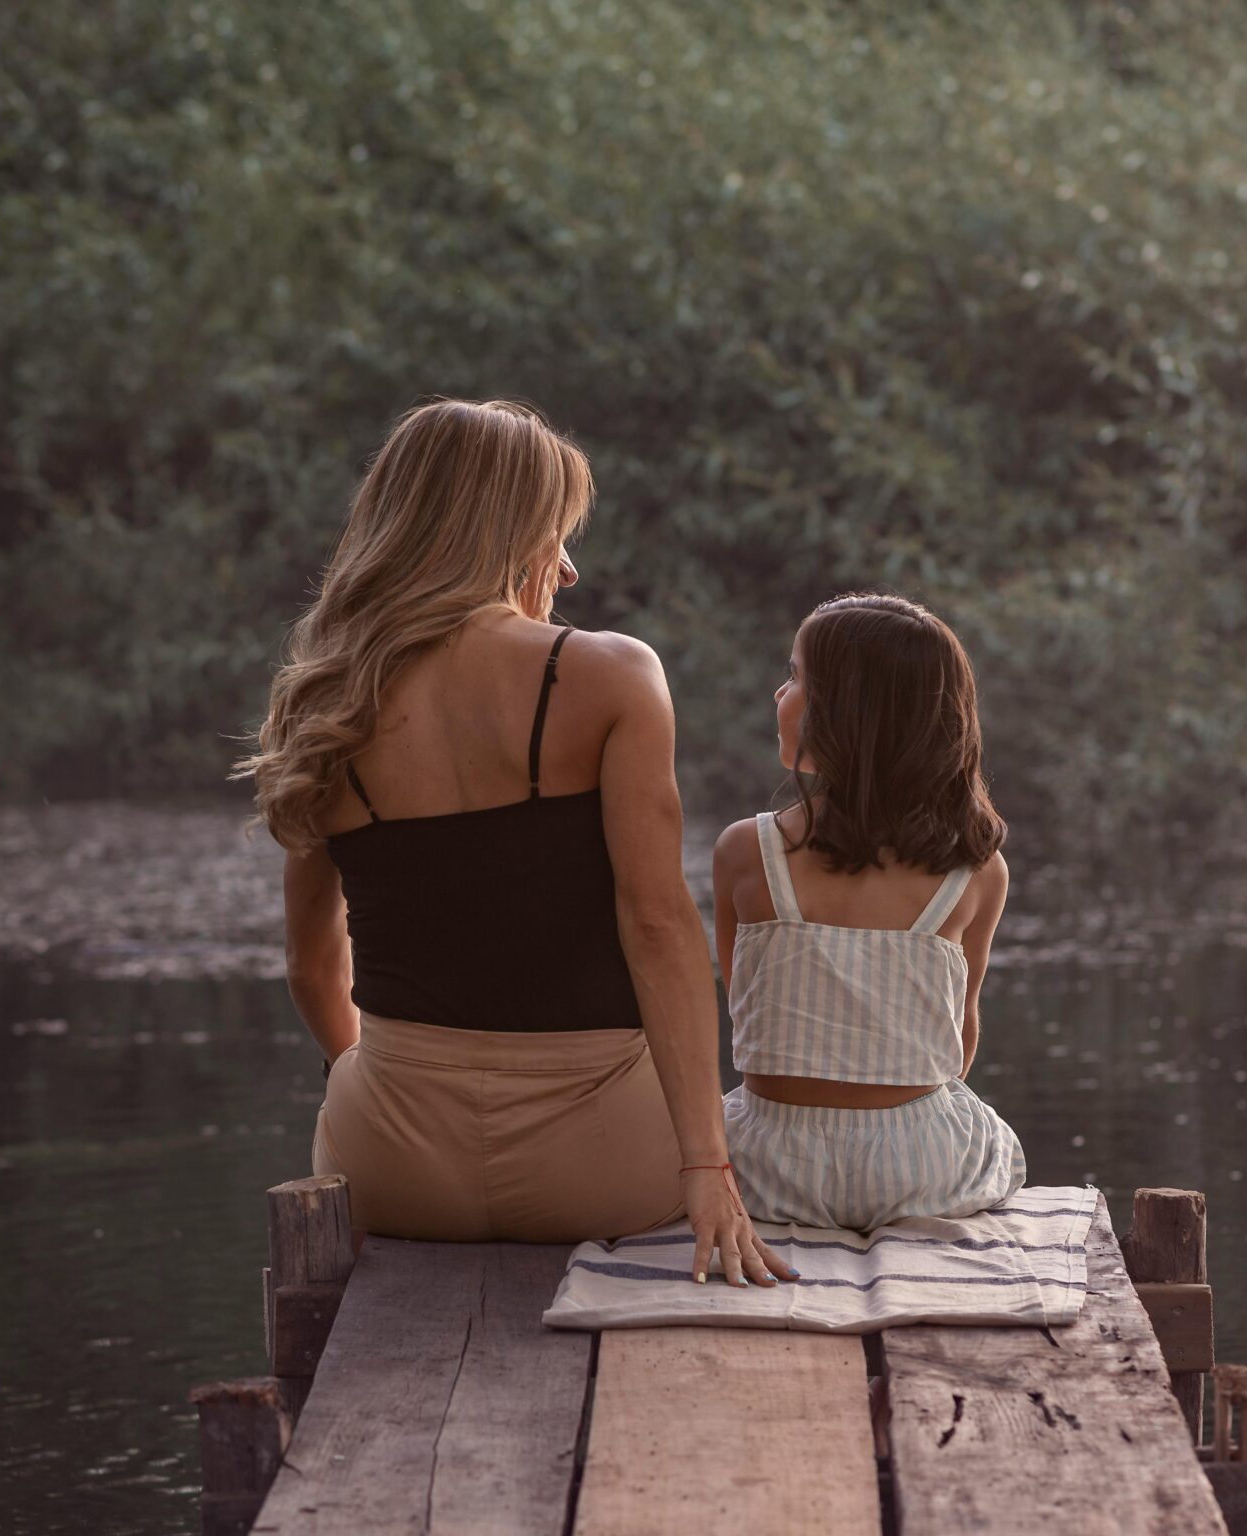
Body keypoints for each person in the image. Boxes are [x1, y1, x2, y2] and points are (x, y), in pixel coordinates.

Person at [238, 398, 794, 1287]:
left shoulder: (323, 703)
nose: (568, 571)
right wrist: (707, 1171)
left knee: (367, 1082)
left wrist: (396, 1089)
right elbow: (657, 928)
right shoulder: (613, 675)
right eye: (555, 532)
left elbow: (311, 969)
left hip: (394, 1169)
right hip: (604, 1169)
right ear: (500, 532)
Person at [711, 592, 1026, 1230]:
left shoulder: (747, 852)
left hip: (768, 1168)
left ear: (849, 714)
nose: (779, 695)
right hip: (919, 1170)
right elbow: (957, 1047)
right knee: (986, 1131)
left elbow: (744, 1016)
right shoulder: (978, 872)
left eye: (796, 677)